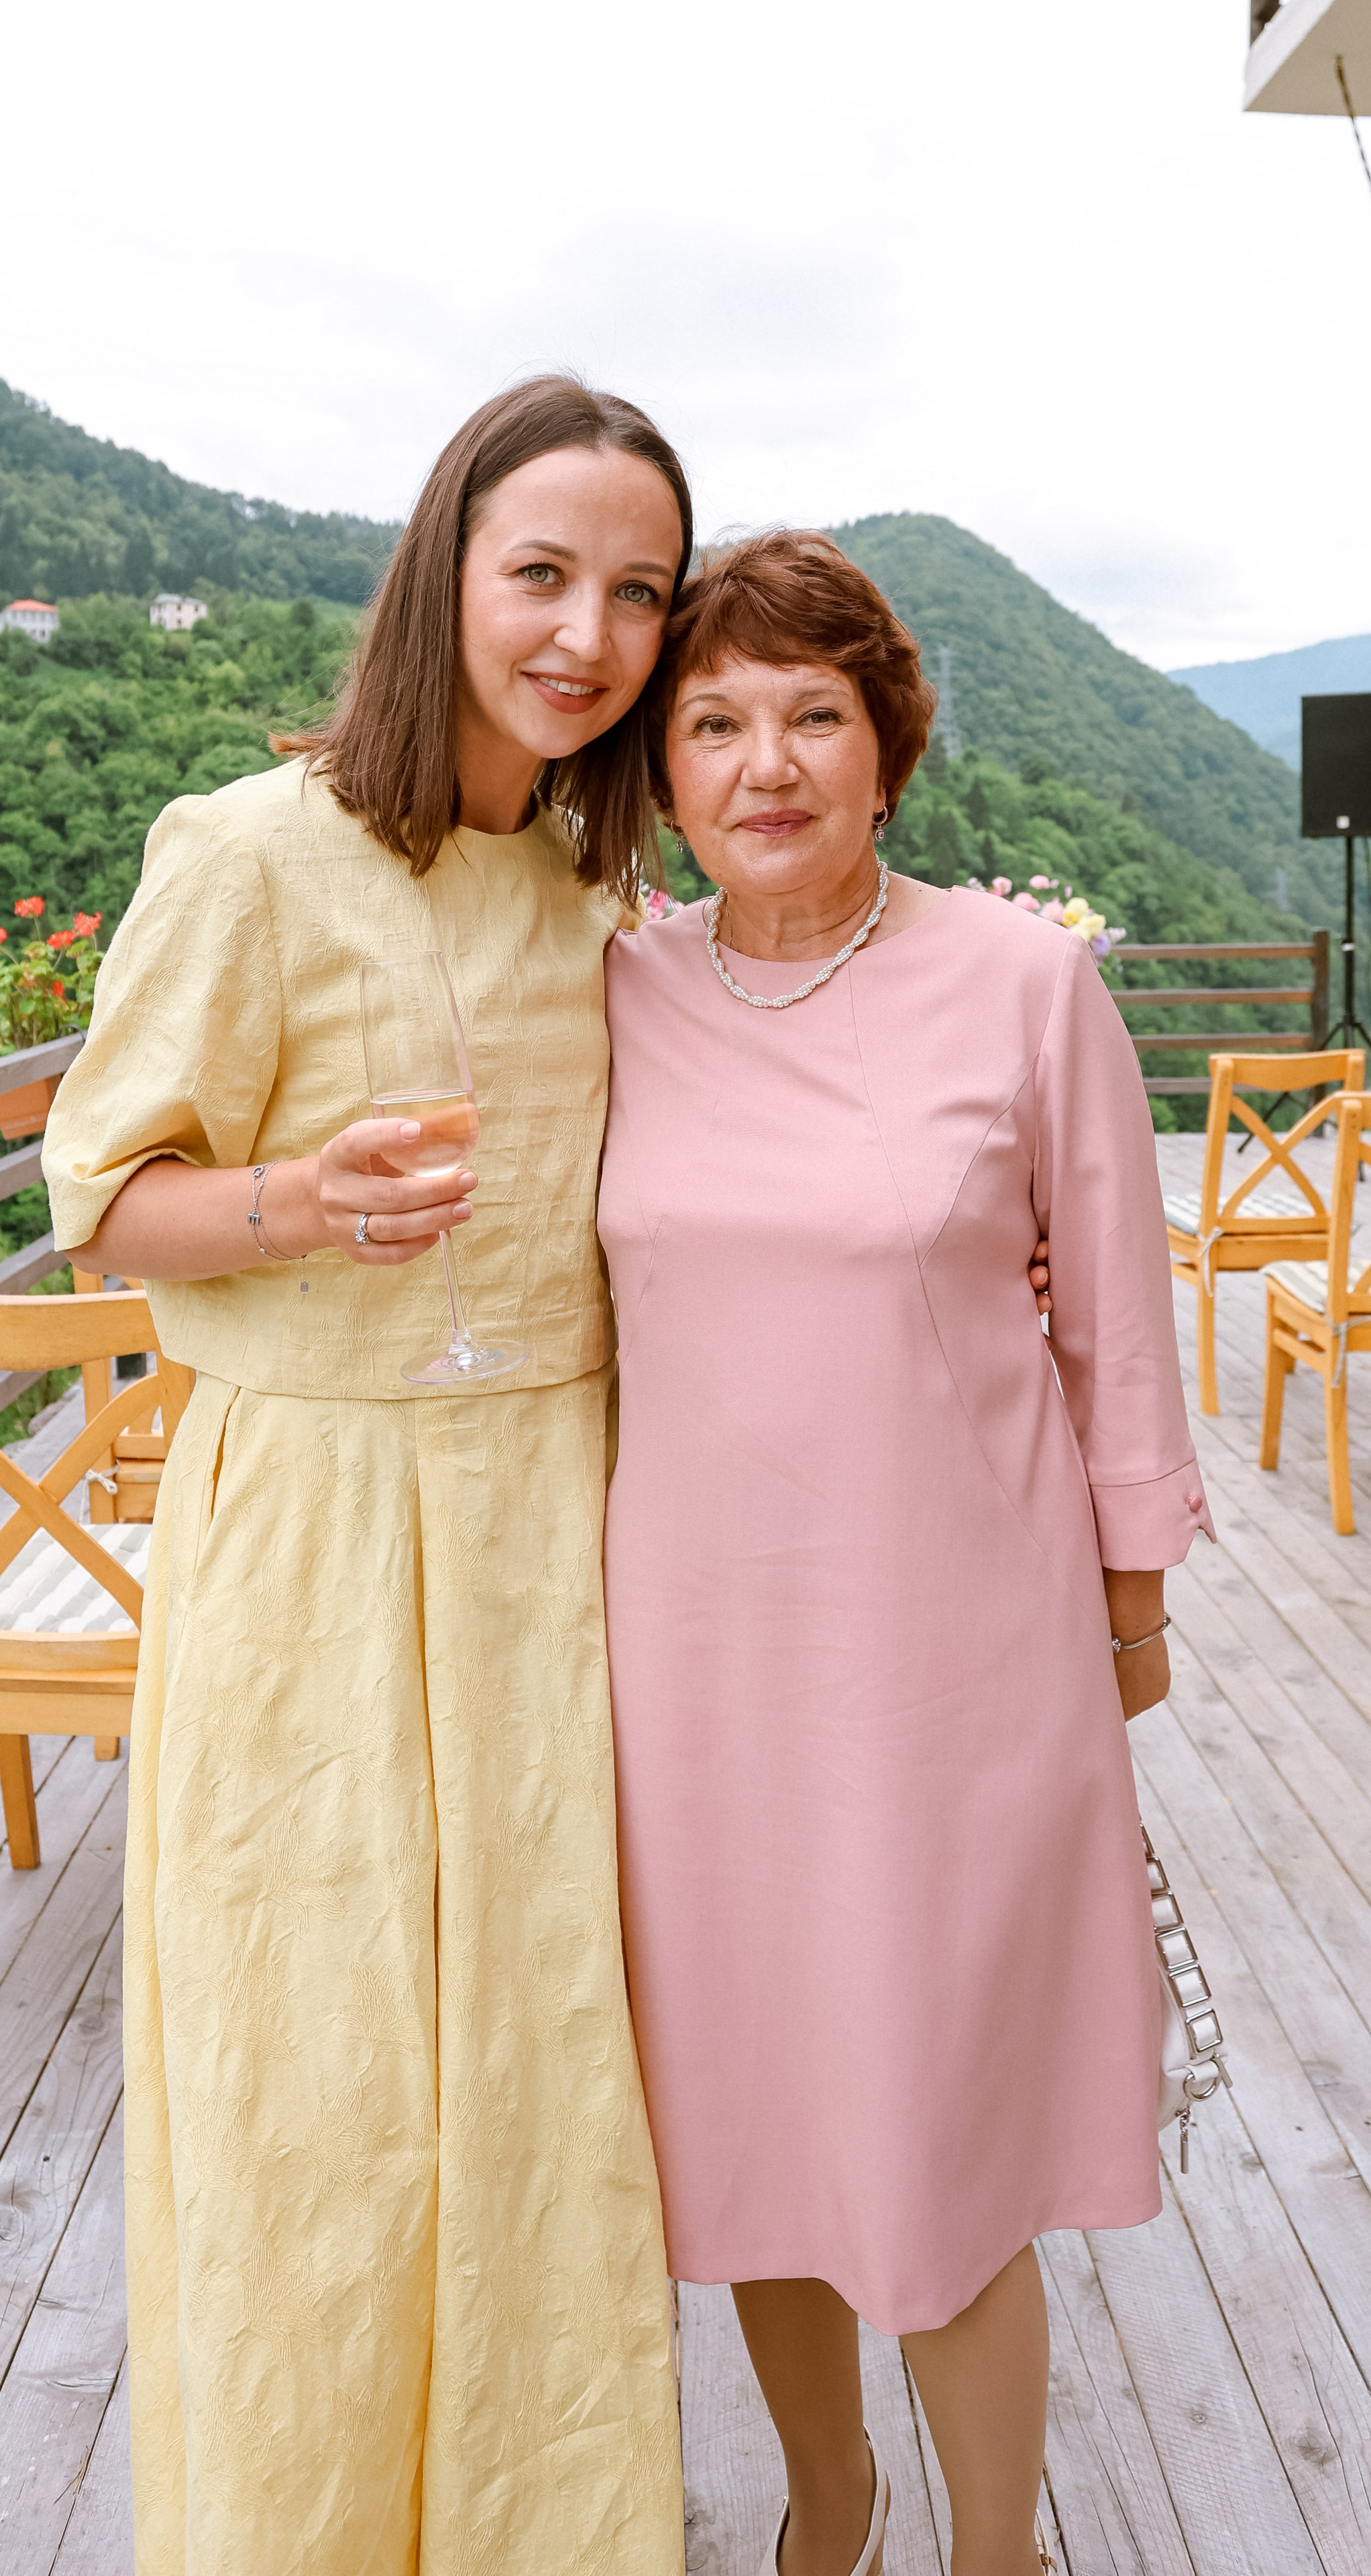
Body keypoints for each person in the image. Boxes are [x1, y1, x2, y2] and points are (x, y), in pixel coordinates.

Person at [41, 377, 693, 2575]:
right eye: (542, 572)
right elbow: (105, 1203)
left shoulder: (599, 892)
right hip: (312, 1540)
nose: (587, 631)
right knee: (311, 2099)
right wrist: (305, 1201)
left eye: (637, 591)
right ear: (445, 574)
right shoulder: (247, 848)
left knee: (541, 2086)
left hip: (557, 1539)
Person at [599, 532, 1214, 2576]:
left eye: (810, 715)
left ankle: (998, 2549)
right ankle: (829, 2496)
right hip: (688, 1660)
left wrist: (1128, 1609)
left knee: (937, 2132)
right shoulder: (614, 988)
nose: (763, 761)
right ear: (664, 772)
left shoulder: (1021, 981)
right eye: (713, 721)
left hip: (958, 1651)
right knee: (756, 2115)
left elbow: (1117, 1311)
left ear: (885, 749)